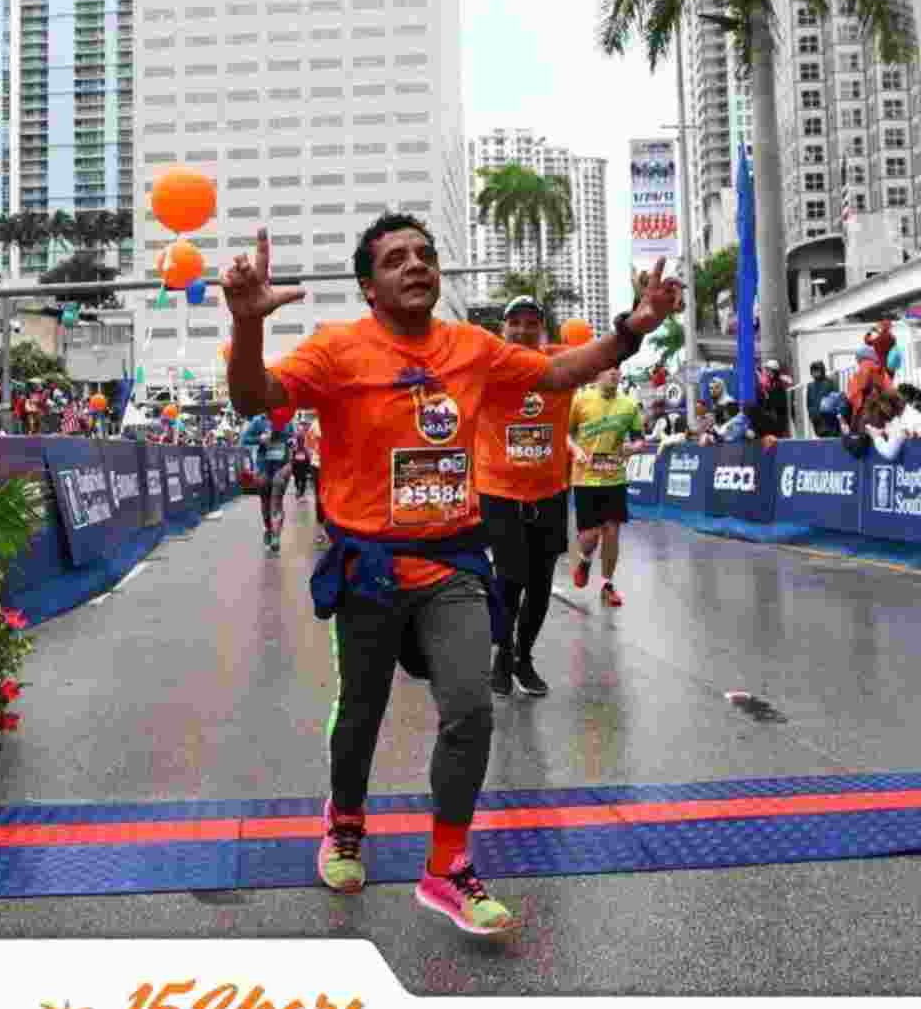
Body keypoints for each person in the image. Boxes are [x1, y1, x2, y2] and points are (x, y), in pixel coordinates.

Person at [223, 216, 681, 936]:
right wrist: (247, 326)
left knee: (469, 705)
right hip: (369, 568)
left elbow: (559, 371)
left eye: (426, 255)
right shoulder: (339, 350)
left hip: (453, 564)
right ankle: (345, 819)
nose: (416, 265)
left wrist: (633, 330)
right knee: (363, 709)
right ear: (369, 286)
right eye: (396, 258)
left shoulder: (471, 348)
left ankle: (446, 867)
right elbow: (254, 399)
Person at [475, 295, 574, 699]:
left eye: (531, 323)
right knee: (510, 578)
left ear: (542, 330)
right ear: (503, 329)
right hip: (498, 492)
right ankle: (501, 655)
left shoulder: (562, 365)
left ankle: (523, 657)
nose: (522, 330)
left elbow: (609, 353)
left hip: (549, 493)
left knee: (540, 583)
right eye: (514, 323)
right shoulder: (485, 367)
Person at [569, 369, 645, 607]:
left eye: (617, 369)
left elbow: (639, 439)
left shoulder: (630, 405)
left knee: (612, 531)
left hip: (614, 477)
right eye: (609, 369)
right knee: (590, 536)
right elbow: (565, 434)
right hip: (585, 478)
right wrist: (576, 450)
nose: (614, 373)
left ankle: (607, 585)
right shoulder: (580, 400)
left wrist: (632, 448)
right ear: (598, 374)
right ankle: (584, 559)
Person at [240, 408, 295, 553]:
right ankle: (268, 529)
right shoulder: (259, 420)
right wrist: (260, 439)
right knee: (265, 500)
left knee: (276, 497)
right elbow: (244, 439)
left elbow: (292, 437)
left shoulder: (287, 419)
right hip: (264, 465)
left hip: (281, 465)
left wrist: (291, 441)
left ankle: (276, 536)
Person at [304, 412, 329, 548]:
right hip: (318, 465)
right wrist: (314, 456)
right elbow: (307, 444)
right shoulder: (315, 425)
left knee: (332, 497)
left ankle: (333, 530)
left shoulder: (337, 421)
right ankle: (321, 532)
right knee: (320, 498)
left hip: (333, 467)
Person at [756, 360, 793, 438]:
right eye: (767, 370)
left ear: (774, 371)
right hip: (771, 417)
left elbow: (779, 404)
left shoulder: (779, 384)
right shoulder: (769, 384)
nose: (767, 372)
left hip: (778, 418)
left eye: (769, 370)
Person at [806, 361, 840, 439]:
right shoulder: (810, 386)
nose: (815, 373)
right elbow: (808, 403)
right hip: (816, 420)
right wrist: (811, 415)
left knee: (830, 439)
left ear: (822, 370)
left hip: (829, 420)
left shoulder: (829, 383)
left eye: (817, 370)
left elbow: (836, 400)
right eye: (813, 371)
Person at [291, 419, 311, 500]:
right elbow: (292, 446)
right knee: (296, 475)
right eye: (300, 426)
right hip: (296, 458)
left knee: (303, 476)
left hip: (304, 458)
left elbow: (309, 446)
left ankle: (301, 492)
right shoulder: (295, 436)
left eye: (303, 425)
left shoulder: (307, 435)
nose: (301, 428)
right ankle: (298, 490)